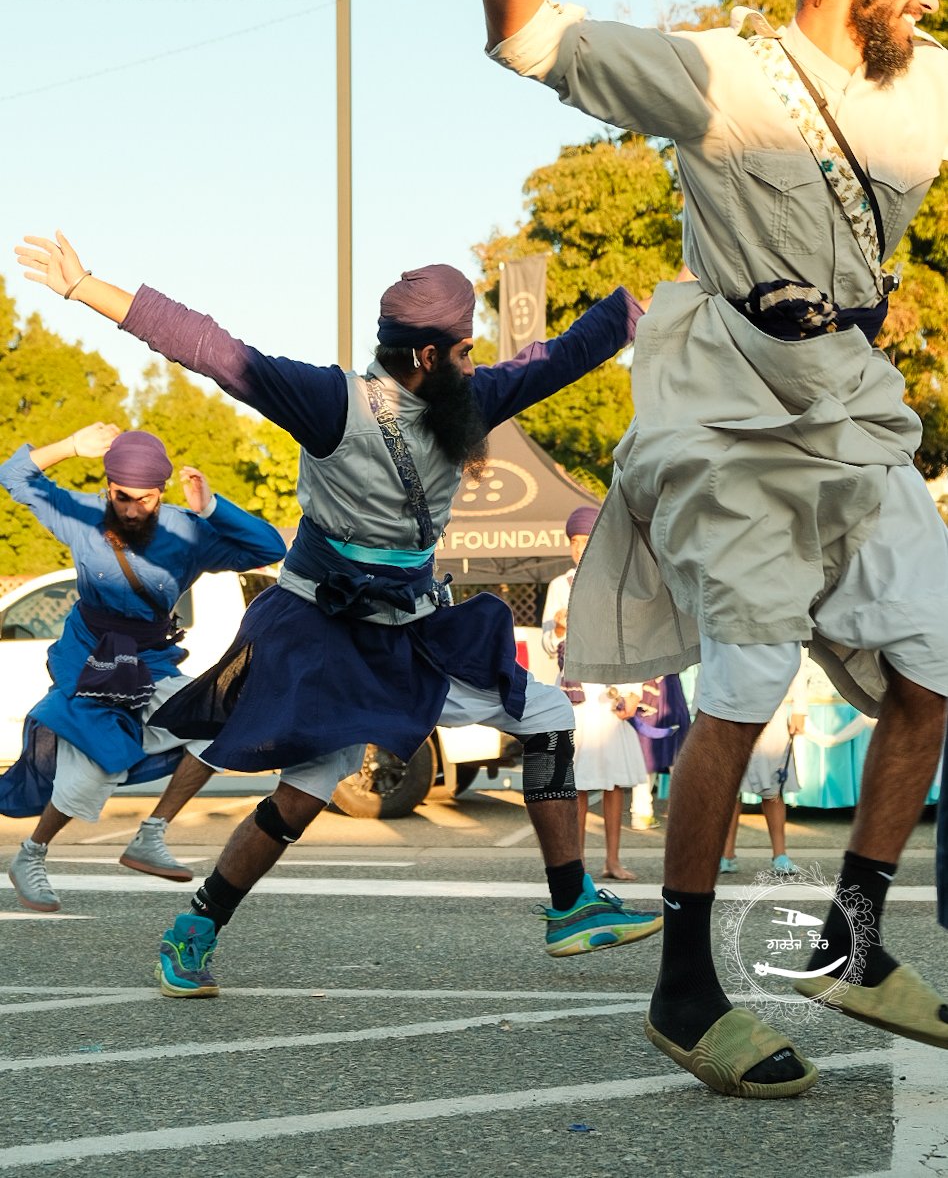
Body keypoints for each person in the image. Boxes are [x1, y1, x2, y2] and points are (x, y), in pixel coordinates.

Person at [471, 0, 948, 1099]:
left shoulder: (929, 86)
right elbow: (525, 34)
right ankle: (686, 987)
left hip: (852, 411)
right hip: (732, 419)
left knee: (936, 667)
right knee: (740, 694)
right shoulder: (720, 77)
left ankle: (852, 942)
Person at [12, 237, 663, 996]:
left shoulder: (468, 399)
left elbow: (561, 356)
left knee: (545, 715)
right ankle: (193, 930)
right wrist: (87, 286)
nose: (472, 358)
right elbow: (209, 349)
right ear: (425, 353)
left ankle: (569, 905)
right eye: (463, 347)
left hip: (415, 629)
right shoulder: (330, 403)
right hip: (324, 633)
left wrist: (645, 306)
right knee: (302, 794)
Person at [1, 423, 286, 913]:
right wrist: (70, 446)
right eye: (122, 497)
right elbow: (13, 475)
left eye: (145, 499)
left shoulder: (186, 530)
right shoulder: (83, 515)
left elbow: (270, 549)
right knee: (96, 765)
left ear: (161, 493)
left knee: (219, 725)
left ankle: (150, 835)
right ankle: (31, 855)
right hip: (90, 658)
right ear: (107, 487)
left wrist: (212, 508)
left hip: (152, 659)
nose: (132, 509)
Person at [542, 505, 648, 881]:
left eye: (587, 541)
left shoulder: (614, 584)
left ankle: (613, 861)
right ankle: (579, 863)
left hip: (608, 697)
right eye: (574, 541)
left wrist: (634, 692)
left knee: (614, 781)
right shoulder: (559, 586)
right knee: (579, 784)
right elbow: (546, 643)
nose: (580, 548)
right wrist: (555, 630)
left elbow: (629, 641)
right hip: (575, 699)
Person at [720, 666, 808, 876]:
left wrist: (799, 708)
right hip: (731, 706)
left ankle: (780, 855)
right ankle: (726, 855)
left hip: (771, 707)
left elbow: (797, 656)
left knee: (773, 787)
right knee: (731, 788)